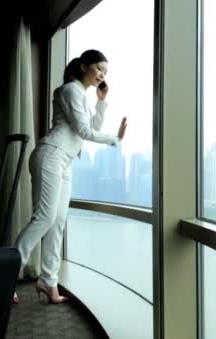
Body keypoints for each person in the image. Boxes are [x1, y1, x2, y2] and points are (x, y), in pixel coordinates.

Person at [12, 49, 127, 304]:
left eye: (105, 72)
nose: (102, 74)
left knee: (58, 221)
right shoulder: (70, 90)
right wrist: (115, 139)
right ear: (84, 66)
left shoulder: (82, 95)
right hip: (51, 155)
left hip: (63, 161)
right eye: (99, 68)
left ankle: (48, 281)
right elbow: (86, 131)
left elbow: (92, 127)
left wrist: (100, 101)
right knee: (44, 218)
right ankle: (8, 274)